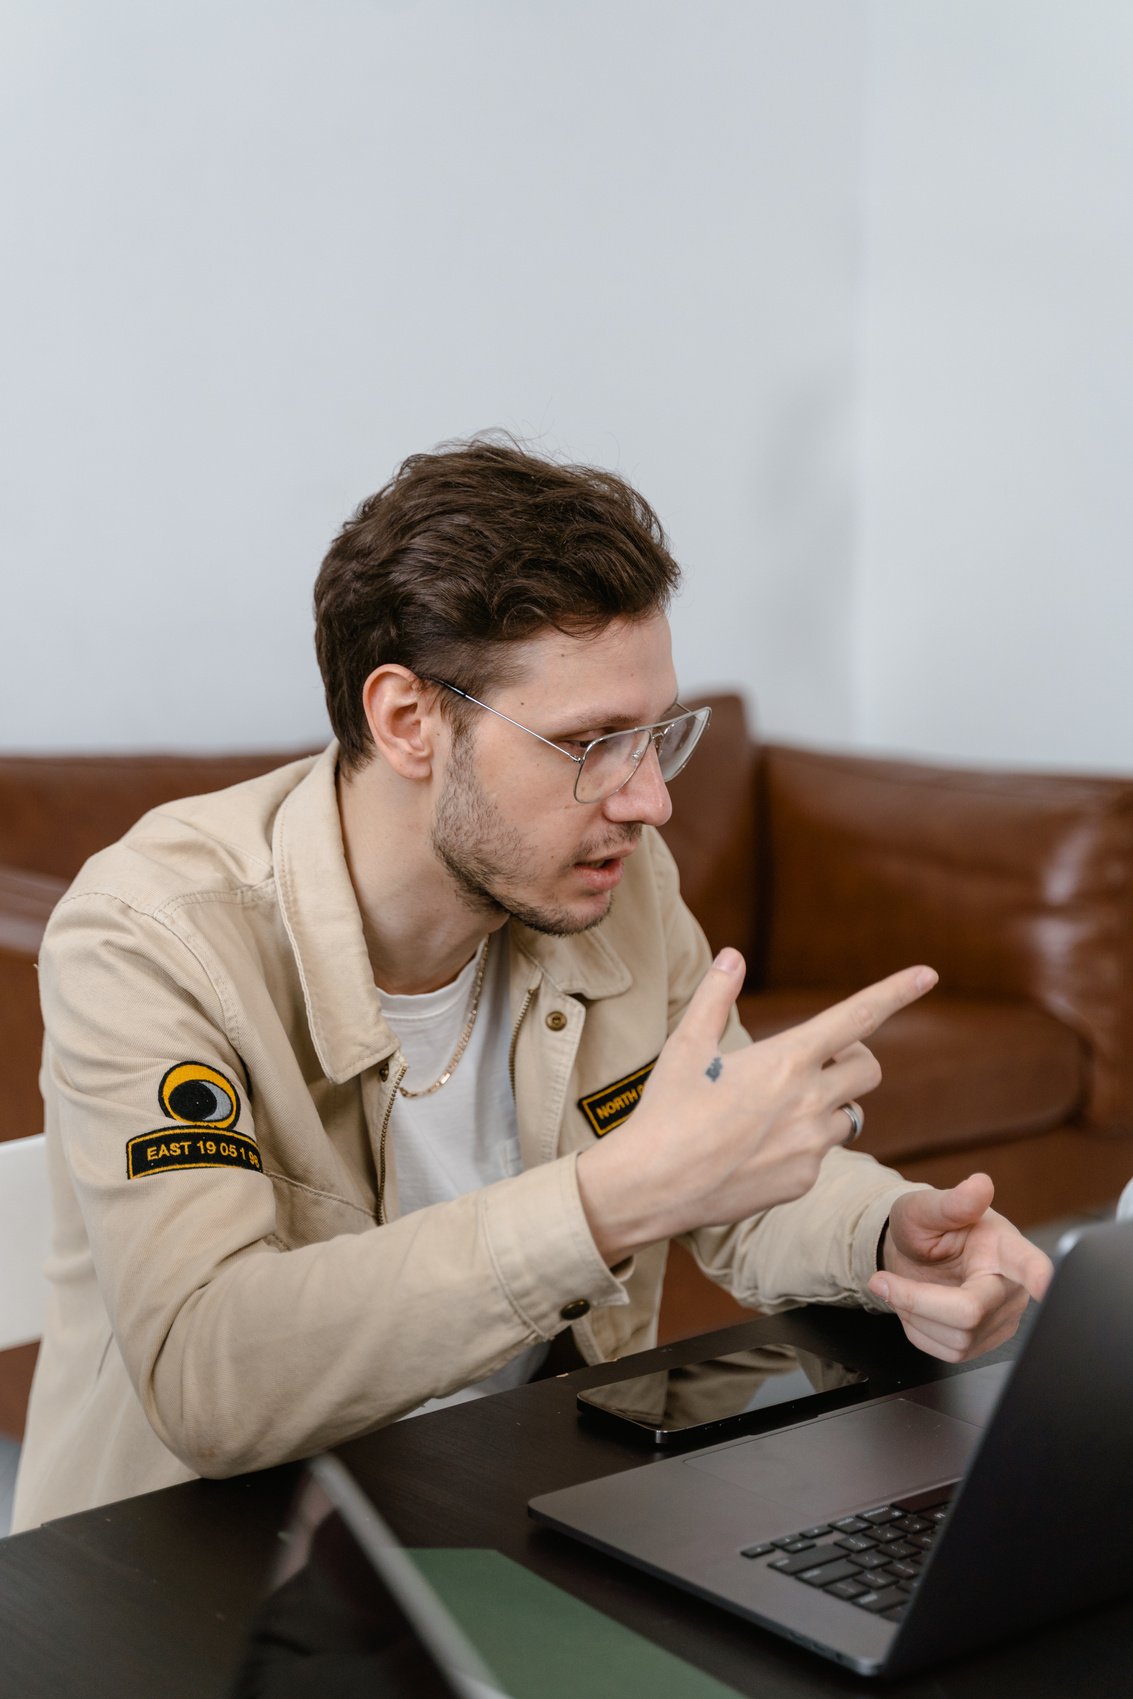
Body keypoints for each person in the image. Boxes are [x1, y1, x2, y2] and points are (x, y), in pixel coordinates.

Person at [13, 439, 1051, 1531]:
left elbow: (736, 1171)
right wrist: (611, 1201)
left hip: (515, 1510)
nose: (647, 800)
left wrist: (891, 1234)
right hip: (196, 1570)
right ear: (407, 719)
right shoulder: (148, 935)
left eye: (654, 736)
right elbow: (207, 1378)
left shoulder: (611, 881)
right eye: (590, 742)